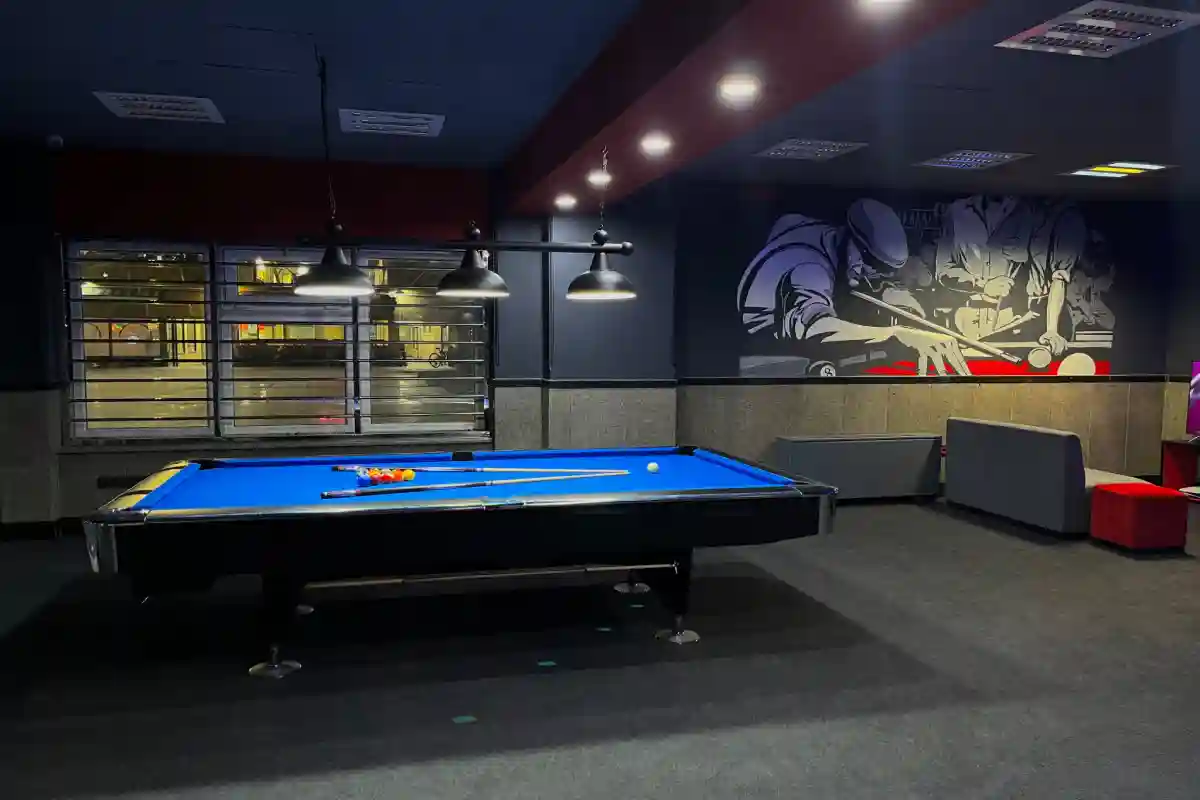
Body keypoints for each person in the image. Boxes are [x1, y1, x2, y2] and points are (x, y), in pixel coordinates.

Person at [737, 198, 970, 376]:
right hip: (769, 358)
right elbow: (814, 327)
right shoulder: (809, 268)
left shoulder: (830, 236)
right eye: (871, 264)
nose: (871, 275)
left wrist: (903, 305)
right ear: (853, 239)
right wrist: (897, 334)